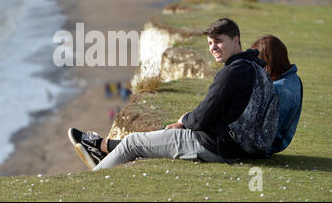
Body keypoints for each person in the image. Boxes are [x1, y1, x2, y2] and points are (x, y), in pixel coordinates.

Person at [68, 18, 271, 170]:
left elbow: (203, 118)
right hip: (239, 145)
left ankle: (93, 180)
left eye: (218, 41)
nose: (213, 48)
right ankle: (105, 147)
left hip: (215, 146)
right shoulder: (255, 68)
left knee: (133, 143)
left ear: (236, 40)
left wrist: (184, 119)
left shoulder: (231, 72)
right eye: (209, 43)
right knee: (160, 136)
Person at [250, 35, 303, 155]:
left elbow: (269, 130)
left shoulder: (280, 89)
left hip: (268, 145)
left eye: (258, 61)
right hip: (276, 141)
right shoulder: (293, 79)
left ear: (267, 61)